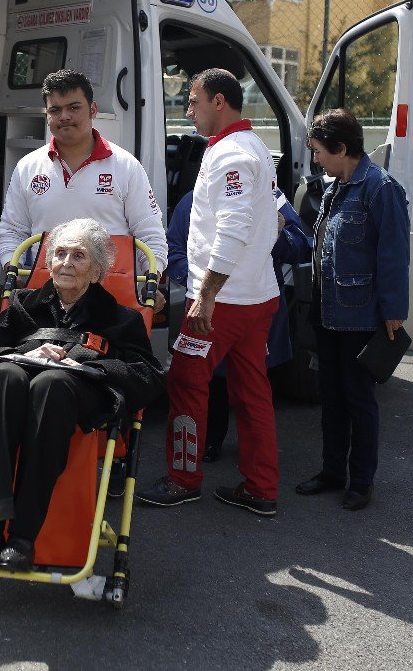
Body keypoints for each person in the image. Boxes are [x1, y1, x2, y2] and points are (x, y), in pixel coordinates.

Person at [0, 219, 164, 571]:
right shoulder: (24, 306)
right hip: (13, 393)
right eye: (60, 253)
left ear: (97, 271)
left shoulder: (121, 318)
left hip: (76, 398)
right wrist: (22, 355)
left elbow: (149, 379)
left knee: (50, 384)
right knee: (3, 375)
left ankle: (23, 537)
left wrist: (87, 362)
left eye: (79, 256)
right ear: (49, 261)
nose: (66, 262)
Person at [136, 68, 281, 516]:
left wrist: (207, 294)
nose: (188, 111)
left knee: (185, 380)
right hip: (257, 296)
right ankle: (261, 487)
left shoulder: (232, 155)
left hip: (225, 304)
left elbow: (234, 228)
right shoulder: (252, 147)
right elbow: (274, 218)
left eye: (193, 102)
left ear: (219, 102)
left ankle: (183, 479)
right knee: (252, 390)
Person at [296, 108, 409, 511]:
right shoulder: (335, 187)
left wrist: (394, 311)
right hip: (328, 313)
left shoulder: (381, 189)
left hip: (360, 317)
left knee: (358, 398)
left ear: (341, 148)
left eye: (319, 151)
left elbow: (394, 254)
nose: (315, 160)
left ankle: (360, 481)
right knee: (331, 396)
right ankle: (332, 472)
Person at [165, 188, 311, 462]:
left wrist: (278, 236)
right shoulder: (193, 199)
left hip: (256, 312)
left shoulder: (272, 198)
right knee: (209, 384)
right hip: (209, 309)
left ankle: (255, 462)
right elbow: (173, 251)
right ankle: (210, 443)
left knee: (254, 389)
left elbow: (300, 247)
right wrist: (201, 283)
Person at [0, 69, 168, 274]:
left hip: (110, 293)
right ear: (47, 114)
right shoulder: (27, 167)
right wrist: (13, 271)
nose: (64, 116)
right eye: (55, 110)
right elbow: (12, 230)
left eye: (74, 108)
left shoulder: (126, 165)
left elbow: (149, 233)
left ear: (93, 109)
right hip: (44, 291)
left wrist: (151, 281)